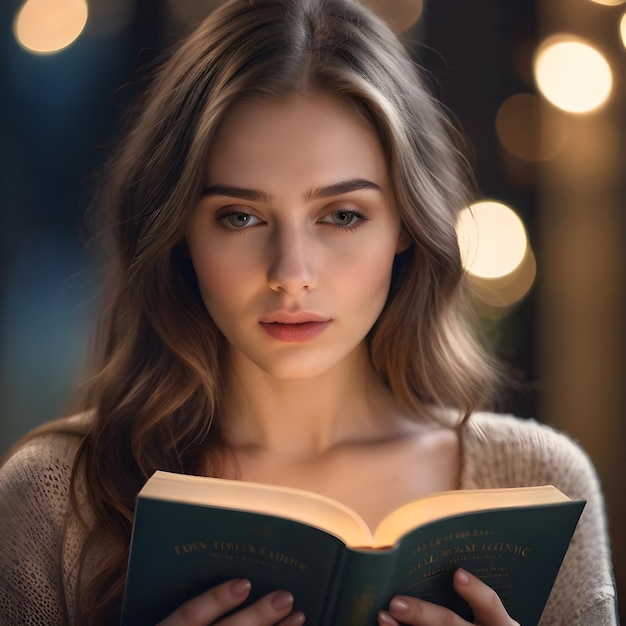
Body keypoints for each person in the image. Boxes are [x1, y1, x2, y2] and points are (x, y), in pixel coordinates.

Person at [0, 0, 618, 624]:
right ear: (179, 230)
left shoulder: (541, 483)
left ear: (405, 222)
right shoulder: (55, 500)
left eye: (342, 216)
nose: (291, 274)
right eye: (240, 217)